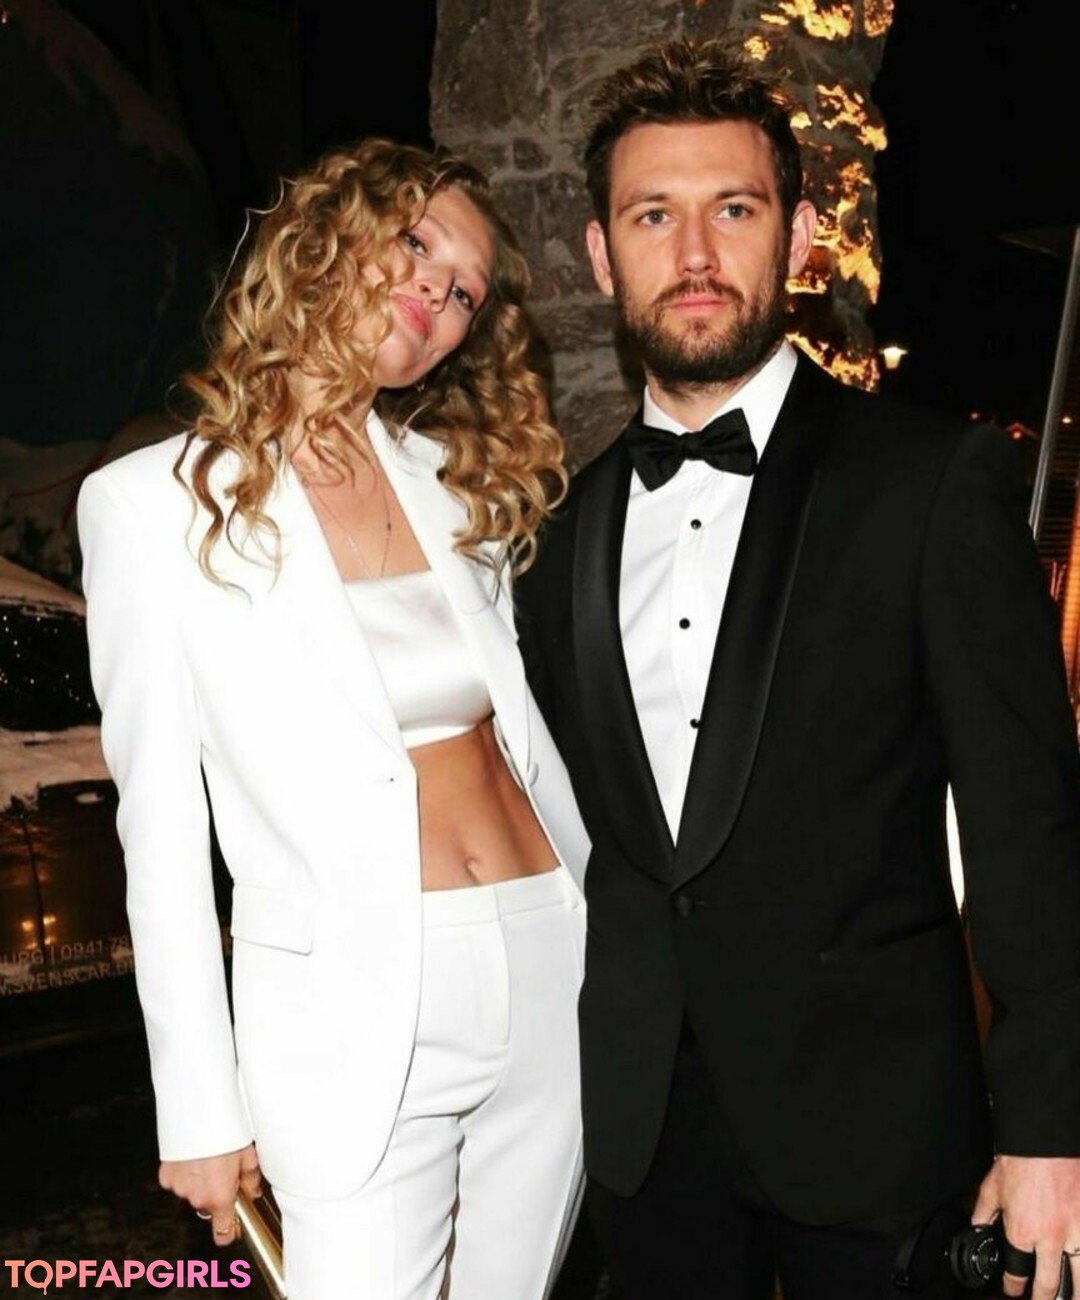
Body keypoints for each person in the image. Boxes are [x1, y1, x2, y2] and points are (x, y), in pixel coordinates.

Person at [514, 36, 1080, 1300]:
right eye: (653, 215)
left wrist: (1051, 1128)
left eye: (734, 210)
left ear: (800, 236)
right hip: (645, 1149)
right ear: (601, 253)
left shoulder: (930, 483)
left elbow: (1026, 825)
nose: (695, 253)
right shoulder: (555, 537)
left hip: (879, 1142)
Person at [77, 137, 589, 1300]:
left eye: (467, 292)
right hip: (348, 1012)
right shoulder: (149, 507)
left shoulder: (452, 483)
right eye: (417, 244)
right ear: (325, 240)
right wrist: (199, 1104)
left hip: (548, 950)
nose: (441, 292)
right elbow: (159, 831)